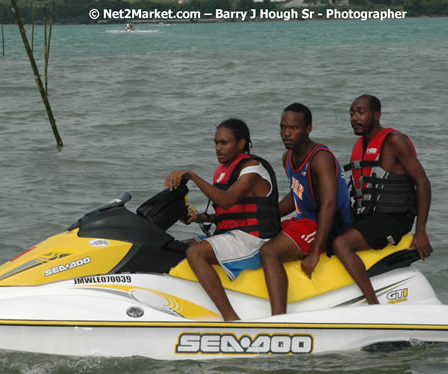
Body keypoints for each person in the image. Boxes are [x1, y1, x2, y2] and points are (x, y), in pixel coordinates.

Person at [165, 118, 280, 321]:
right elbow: (232, 213)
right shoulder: (225, 170)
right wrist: (199, 217)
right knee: (176, 247)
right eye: (216, 143)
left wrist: (192, 175)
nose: (218, 148)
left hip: (255, 239)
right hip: (234, 234)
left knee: (195, 253)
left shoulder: (253, 169)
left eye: (224, 143)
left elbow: (227, 201)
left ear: (241, 143)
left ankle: (230, 318)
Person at [332, 94, 432, 304]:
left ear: (376, 115)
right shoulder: (359, 146)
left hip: (393, 218)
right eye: (351, 113)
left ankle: (373, 304)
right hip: (367, 217)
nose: (354, 118)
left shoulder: (394, 141)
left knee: (342, 244)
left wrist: (421, 231)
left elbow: (422, 182)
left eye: (361, 112)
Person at [259, 103, 353, 316]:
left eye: (293, 128)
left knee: (269, 252)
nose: (286, 133)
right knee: (260, 233)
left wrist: (314, 252)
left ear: (308, 128)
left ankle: (278, 318)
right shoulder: (288, 157)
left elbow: (329, 205)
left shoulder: (320, 158)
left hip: (327, 224)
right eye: (283, 127)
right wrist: (266, 215)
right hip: (304, 220)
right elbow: (297, 195)